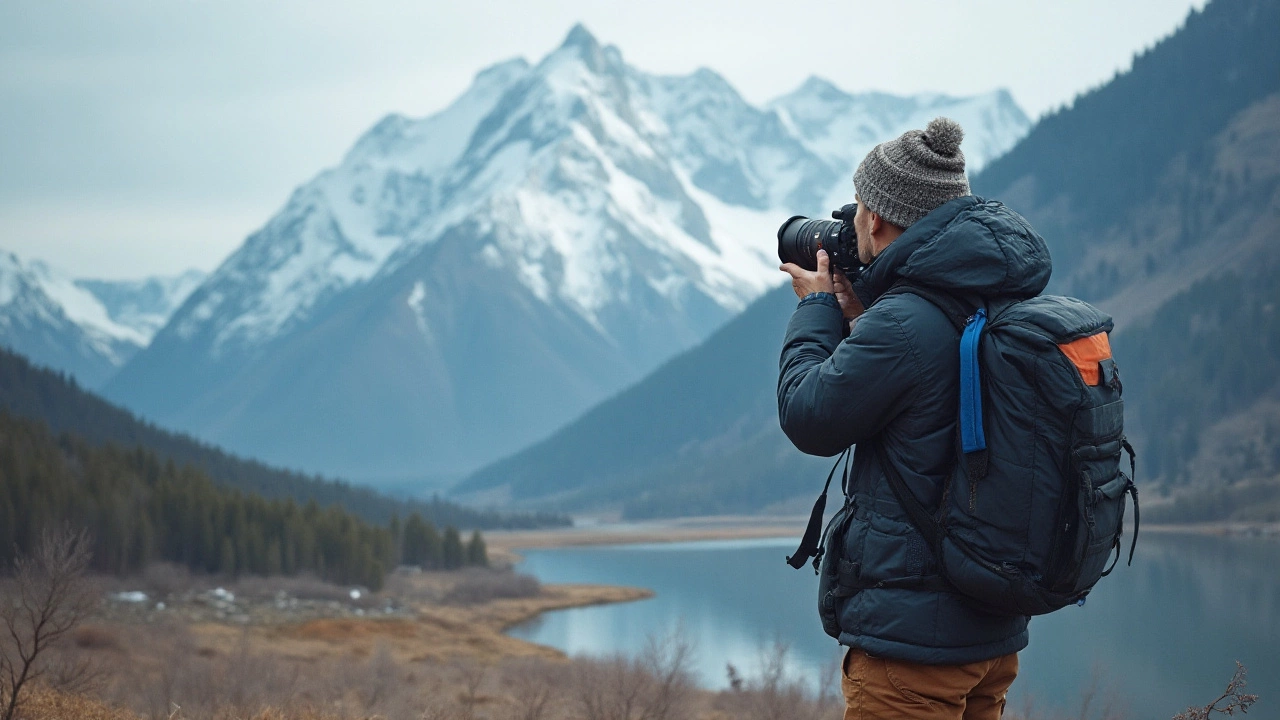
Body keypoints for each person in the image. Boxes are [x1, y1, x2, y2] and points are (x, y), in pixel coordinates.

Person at [777, 117, 1051, 719]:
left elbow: (808, 416)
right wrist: (859, 318)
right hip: (989, 631)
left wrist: (817, 310)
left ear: (875, 218)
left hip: (913, 646)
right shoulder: (989, 291)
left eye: (856, 213)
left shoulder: (904, 321)